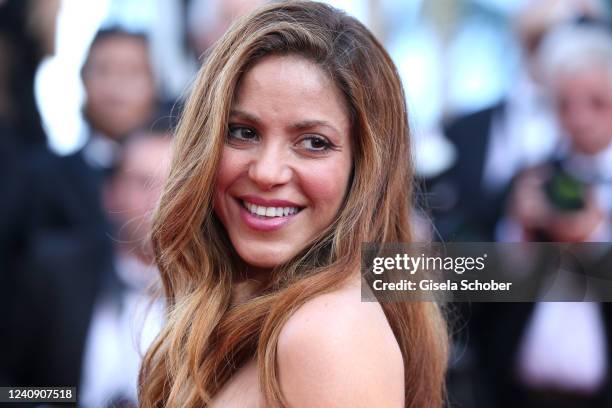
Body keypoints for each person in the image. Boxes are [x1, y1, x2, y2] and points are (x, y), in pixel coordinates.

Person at [138, 2, 448, 407]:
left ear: (365, 169)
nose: (267, 172)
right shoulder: (261, 313)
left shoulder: (328, 332)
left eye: (314, 143)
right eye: (243, 132)